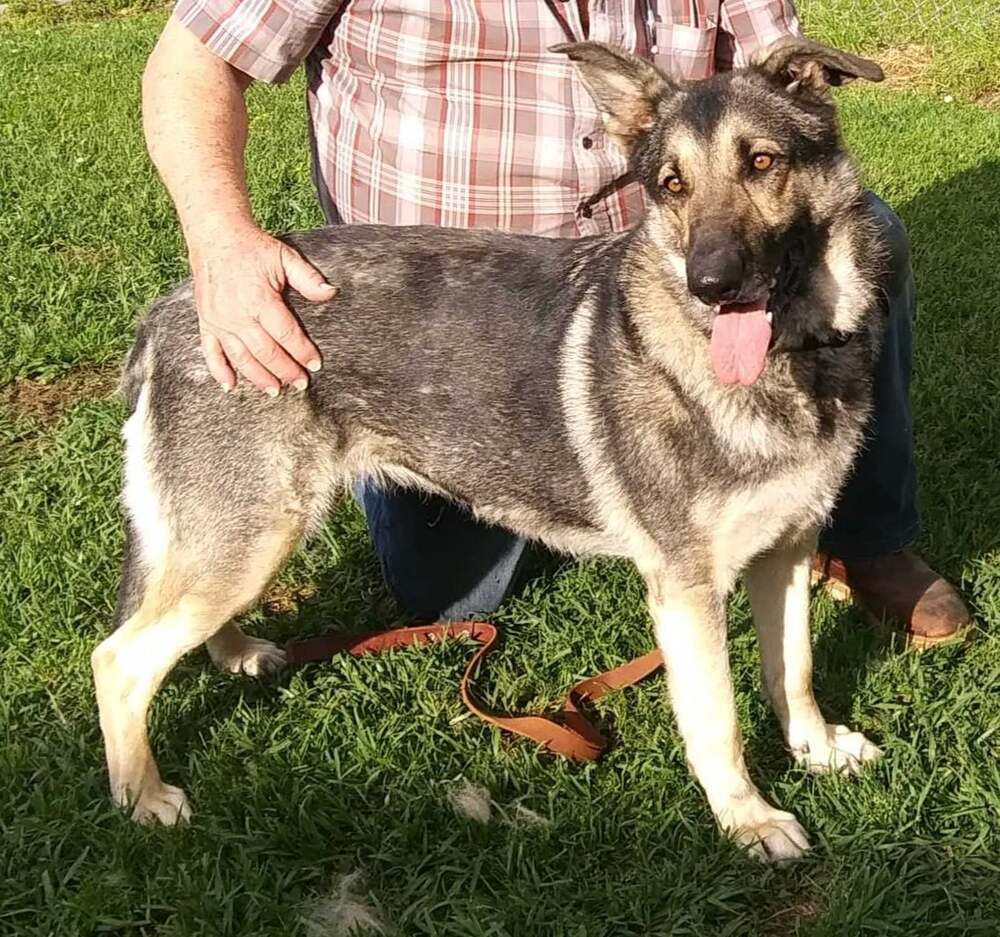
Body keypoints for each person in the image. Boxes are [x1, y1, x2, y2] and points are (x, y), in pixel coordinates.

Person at [141, 0, 970, 646]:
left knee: (870, 235)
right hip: (433, 322)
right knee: (451, 597)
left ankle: (862, 536)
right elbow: (190, 66)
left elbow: (772, 82)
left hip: (636, 280)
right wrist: (221, 244)